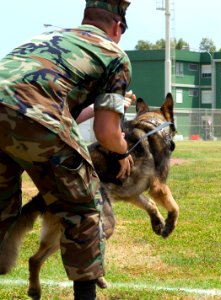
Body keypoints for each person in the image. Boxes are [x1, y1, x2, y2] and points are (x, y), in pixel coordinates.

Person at [0, 0, 133, 298]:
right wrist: (123, 153)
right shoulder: (115, 55)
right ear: (117, 27)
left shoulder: (45, 39)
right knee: (83, 210)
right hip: (35, 115)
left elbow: (54, 103)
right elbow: (107, 133)